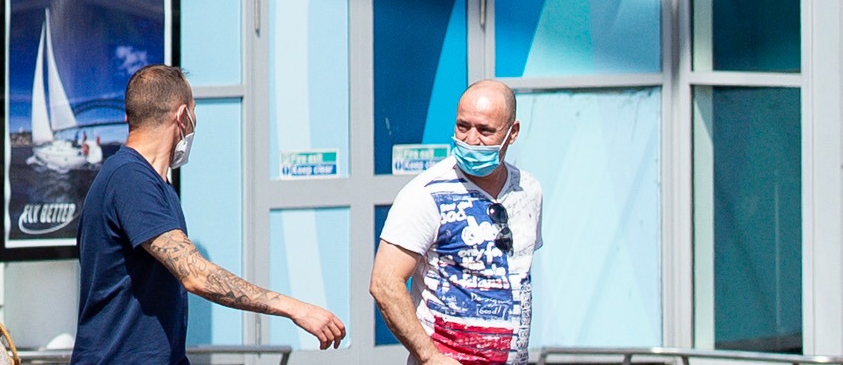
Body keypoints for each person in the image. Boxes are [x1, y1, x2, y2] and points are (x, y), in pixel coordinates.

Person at [76, 65, 347, 365]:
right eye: (194, 114)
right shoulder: (130, 179)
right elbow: (196, 275)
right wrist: (296, 308)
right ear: (182, 117)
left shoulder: (153, 183)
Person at [372, 81, 540, 365]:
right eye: (463, 126)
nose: (471, 139)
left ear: (513, 133)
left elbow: (516, 278)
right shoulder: (426, 193)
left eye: (485, 130)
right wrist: (430, 357)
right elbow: (384, 283)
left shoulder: (529, 190)